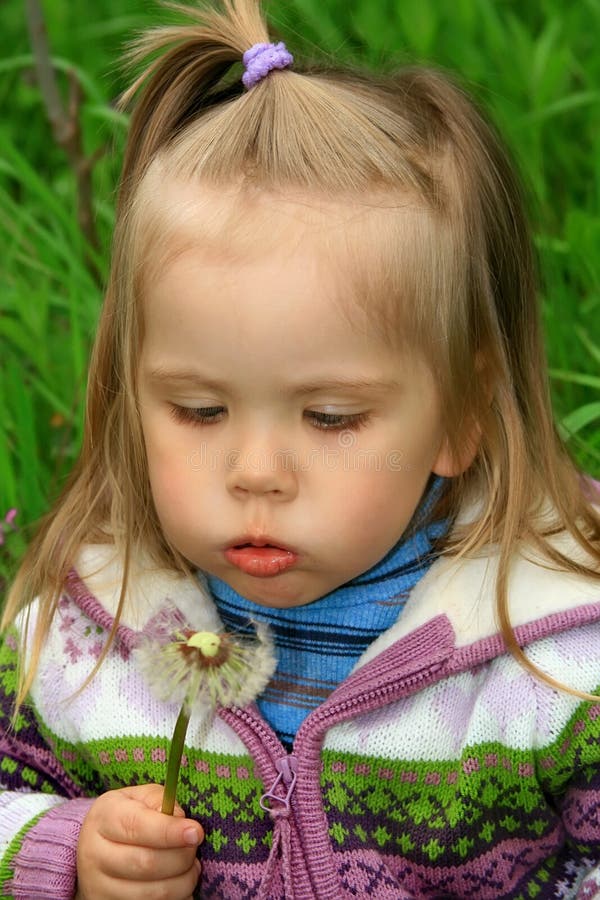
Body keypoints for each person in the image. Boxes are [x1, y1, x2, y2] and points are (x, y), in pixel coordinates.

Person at [1, 0, 600, 897]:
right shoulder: (89, 631)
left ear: (462, 412)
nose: (254, 473)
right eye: (199, 410)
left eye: (329, 418)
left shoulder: (549, 663)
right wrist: (64, 849)